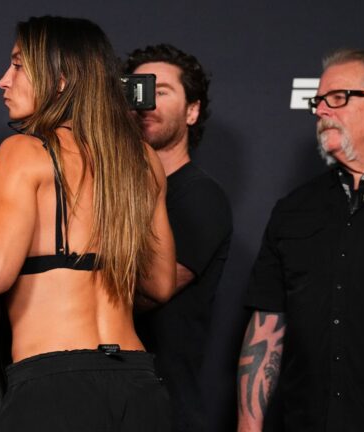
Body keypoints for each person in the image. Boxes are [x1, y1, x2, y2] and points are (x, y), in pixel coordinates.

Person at [0, 16, 176, 431]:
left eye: (19, 64)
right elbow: (160, 283)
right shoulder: (141, 158)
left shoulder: (25, 151)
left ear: (60, 79)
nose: (3, 81)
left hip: (56, 387)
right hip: (137, 381)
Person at [237, 49, 364, 431]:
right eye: (318, 101)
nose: (320, 111)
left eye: (337, 98)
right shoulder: (294, 209)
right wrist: (249, 426)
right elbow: (267, 322)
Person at [123, 43, 233, 432]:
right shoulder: (107, 195)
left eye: (161, 90)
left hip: (164, 409)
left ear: (192, 110)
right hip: (106, 399)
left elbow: (150, 290)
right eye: (139, 88)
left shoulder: (200, 195)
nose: (146, 102)